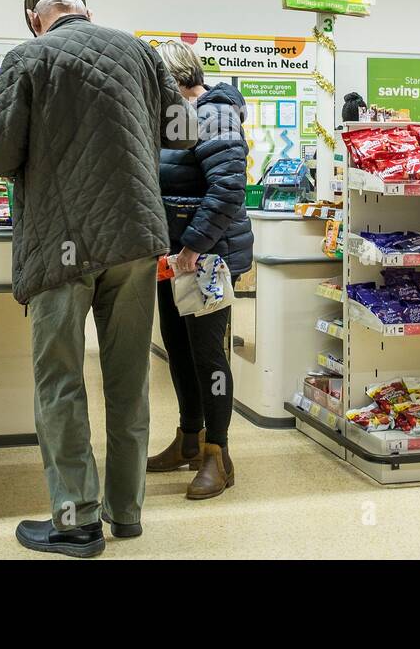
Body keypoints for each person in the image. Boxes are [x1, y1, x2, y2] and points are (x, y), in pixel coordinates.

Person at [0, 0, 195, 558]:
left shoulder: (26, 58)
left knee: (61, 382)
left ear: (34, 17)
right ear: (85, 9)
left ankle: (76, 521)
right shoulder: (141, 51)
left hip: (60, 244)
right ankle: (126, 513)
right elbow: (181, 132)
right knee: (130, 381)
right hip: (134, 239)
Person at [147, 41, 252, 500]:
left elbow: (228, 189)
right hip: (171, 261)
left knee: (208, 356)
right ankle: (189, 439)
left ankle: (218, 455)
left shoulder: (216, 113)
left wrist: (192, 245)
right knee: (178, 350)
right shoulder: (176, 121)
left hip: (205, 259)